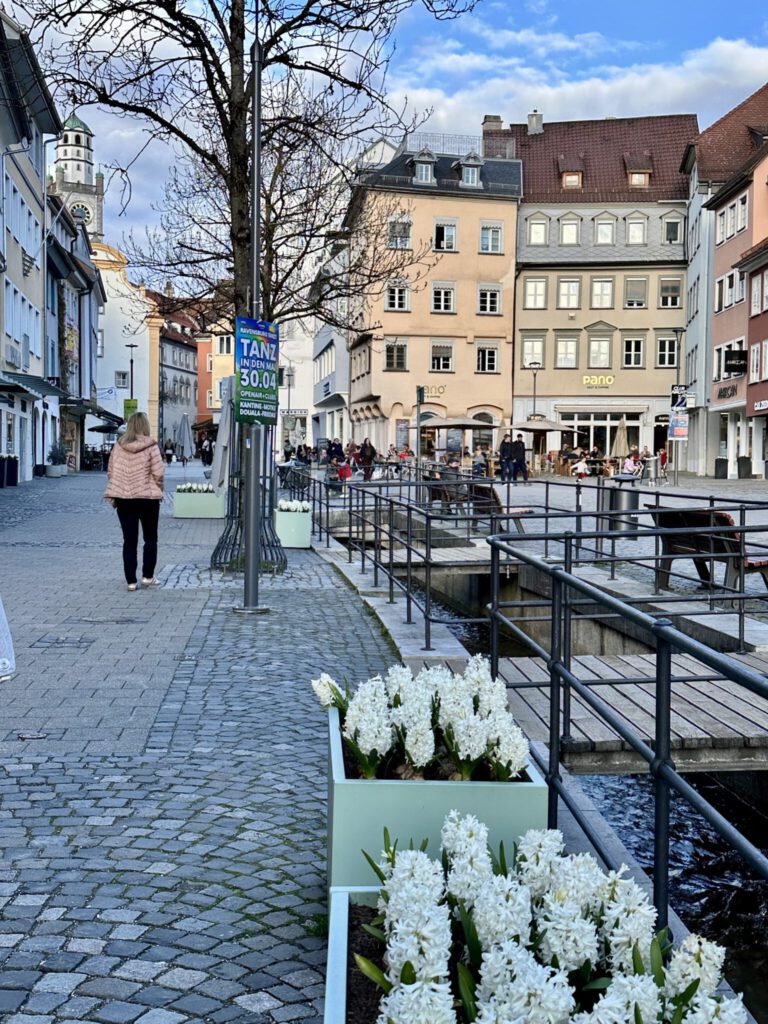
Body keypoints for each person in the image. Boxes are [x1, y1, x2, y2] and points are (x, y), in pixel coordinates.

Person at [104, 411, 165, 592]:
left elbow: (110, 472)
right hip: (148, 499)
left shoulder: (119, 446)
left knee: (129, 541)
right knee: (150, 539)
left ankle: (131, 581)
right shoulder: (151, 446)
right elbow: (159, 473)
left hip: (124, 499)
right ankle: (147, 577)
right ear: (145, 426)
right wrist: (158, 487)